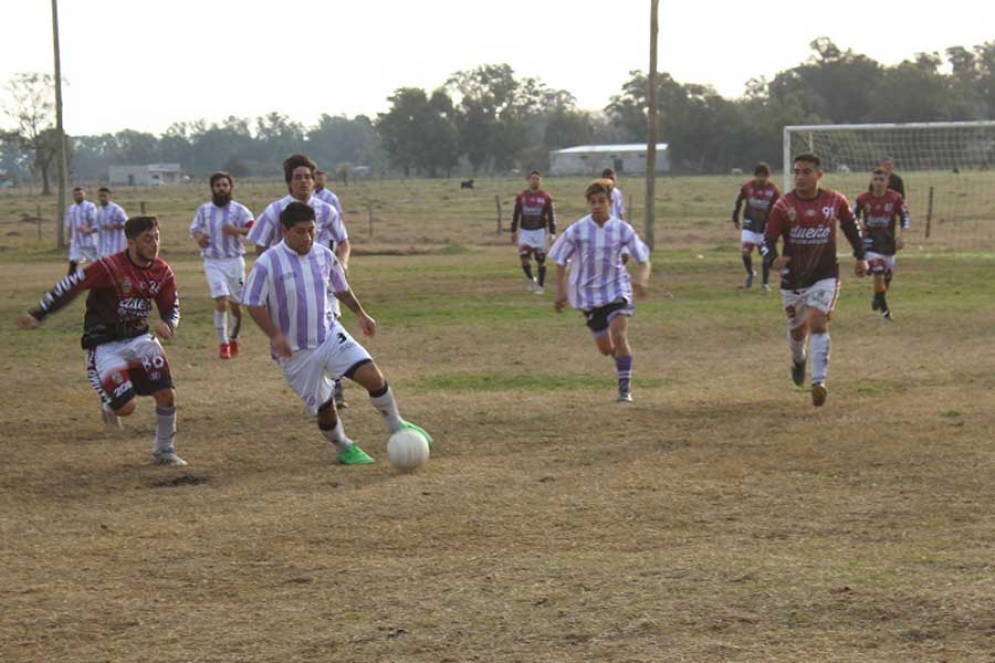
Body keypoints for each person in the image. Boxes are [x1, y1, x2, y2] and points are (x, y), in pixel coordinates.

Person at [242, 202, 432, 464]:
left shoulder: (323, 255)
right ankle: (343, 446)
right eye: (300, 231)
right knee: (325, 408)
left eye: (311, 230)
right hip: (296, 353)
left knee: (372, 375)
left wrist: (361, 314)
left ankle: (396, 424)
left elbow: (340, 287)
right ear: (284, 231)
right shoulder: (267, 263)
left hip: (329, 335)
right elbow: (253, 303)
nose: (307, 237)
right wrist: (275, 335)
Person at [17, 215, 187, 466]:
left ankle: (164, 451)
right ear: (131, 242)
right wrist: (40, 313)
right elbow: (72, 285)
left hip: (140, 338)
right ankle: (110, 402)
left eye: (157, 238)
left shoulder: (161, 271)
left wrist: (169, 324)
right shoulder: (110, 267)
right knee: (126, 408)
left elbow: (171, 307)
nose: (154, 244)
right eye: (147, 239)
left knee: (167, 393)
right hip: (105, 344)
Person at [763, 153, 868, 407]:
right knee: (797, 331)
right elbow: (768, 239)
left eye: (806, 172)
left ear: (819, 174)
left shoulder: (835, 200)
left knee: (818, 322)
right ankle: (799, 360)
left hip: (825, 275)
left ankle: (819, 383)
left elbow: (852, 228)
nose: (800, 177)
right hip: (793, 280)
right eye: (797, 172)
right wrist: (772, 259)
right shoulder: (783, 206)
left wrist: (861, 257)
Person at [248, 154, 351, 408]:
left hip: (323, 281)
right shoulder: (275, 211)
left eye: (308, 177)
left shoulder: (326, 210)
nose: (304, 181)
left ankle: (336, 388)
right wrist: (268, 277)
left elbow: (344, 242)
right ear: (289, 182)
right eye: (297, 177)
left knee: (332, 327)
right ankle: (318, 388)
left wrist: (343, 263)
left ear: (315, 181)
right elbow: (260, 245)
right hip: (290, 284)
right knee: (302, 342)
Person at [550, 179, 651, 403]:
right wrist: (560, 291)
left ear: (610, 203)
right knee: (606, 349)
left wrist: (642, 281)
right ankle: (622, 361)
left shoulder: (622, 229)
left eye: (601, 201)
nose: (597, 206)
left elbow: (643, 260)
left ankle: (624, 390)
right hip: (587, 295)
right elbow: (560, 260)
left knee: (619, 334)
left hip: (617, 288)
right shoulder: (578, 230)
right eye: (592, 202)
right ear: (588, 204)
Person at [189, 171, 255, 358]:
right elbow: (194, 228)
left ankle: (233, 338)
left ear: (230, 188)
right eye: (218, 185)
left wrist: (236, 230)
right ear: (212, 188)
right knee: (222, 301)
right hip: (213, 261)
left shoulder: (239, 210)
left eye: (225, 185)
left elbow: (254, 228)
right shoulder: (204, 210)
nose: (221, 189)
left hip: (234, 262)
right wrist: (199, 237)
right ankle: (223, 343)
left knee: (236, 307)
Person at [853, 167, 911, 319]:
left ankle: (878, 297)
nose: (878, 182)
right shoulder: (863, 198)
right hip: (870, 243)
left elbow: (905, 216)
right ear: (872, 181)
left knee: (886, 277)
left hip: (888, 243)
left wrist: (902, 236)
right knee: (878, 273)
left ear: (887, 182)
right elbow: (851, 215)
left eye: (881, 179)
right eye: (875, 179)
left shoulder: (895, 198)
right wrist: (859, 223)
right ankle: (886, 312)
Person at [731, 162, 781, 290]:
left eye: (764, 176)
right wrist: (735, 218)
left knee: (765, 254)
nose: (761, 178)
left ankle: (765, 283)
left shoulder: (773, 190)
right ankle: (750, 273)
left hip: (765, 226)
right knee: (745, 251)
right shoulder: (747, 187)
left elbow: (779, 207)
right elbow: (738, 201)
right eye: (759, 176)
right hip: (749, 224)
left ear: (768, 177)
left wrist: (778, 224)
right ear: (755, 176)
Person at [511, 170, 557, 294]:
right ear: (528, 180)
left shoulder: (546, 197)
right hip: (525, 231)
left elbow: (551, 215)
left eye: (537, 179)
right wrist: (513, 230)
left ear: (540, 181)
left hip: (540, 232)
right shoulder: (521, 196)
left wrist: (552, 232)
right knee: (524, 259)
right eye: (533, 178)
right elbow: (515, 214)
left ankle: (540, 286)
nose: (535, 181)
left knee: (541, 260)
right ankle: (532, 279)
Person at [65, 186, 99, 275]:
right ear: (73, 196)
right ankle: (70, 281)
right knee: (73, 262)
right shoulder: (71, 208)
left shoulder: (90, 206)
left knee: (97, 262)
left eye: (80, 194)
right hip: (76, 242)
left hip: (88, 241)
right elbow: (70, 225)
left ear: (84, 194)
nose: (78, 196)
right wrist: (69, 239)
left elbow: (93, 220)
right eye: (76, 194)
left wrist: (85, 227)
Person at [94, 187, 128, 257]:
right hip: (103, 246)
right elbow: (96, 226)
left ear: (109, 196)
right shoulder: (99, 210)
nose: (102, 198)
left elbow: (126, 224)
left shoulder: (117, 209)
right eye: (100, 196)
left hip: (115, 246)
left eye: (104, 196)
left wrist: (113, 226)